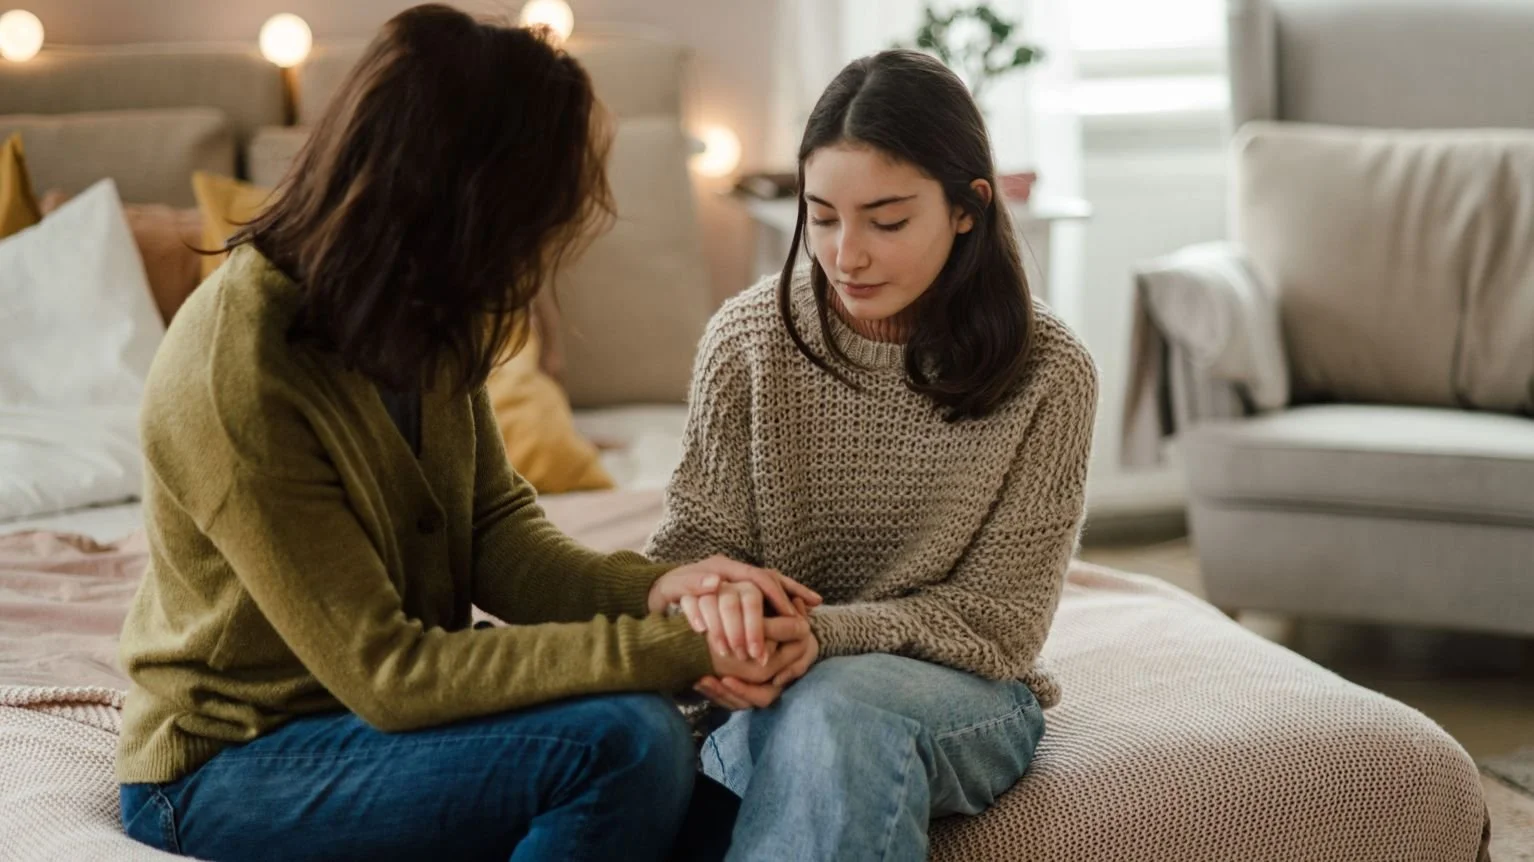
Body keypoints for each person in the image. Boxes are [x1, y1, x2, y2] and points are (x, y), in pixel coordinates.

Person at [114, 6, 819, 860]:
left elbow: (495, 535)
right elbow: (392, 675)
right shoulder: (240, 372)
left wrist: (658, 591)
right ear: (462, 202)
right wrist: (668, 649)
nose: (536, 258)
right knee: (625, 742)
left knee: (757, 831)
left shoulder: (422, 311)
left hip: (381, 728)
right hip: (231, 762)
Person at [645, 48, 1100, 861]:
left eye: (886, 221)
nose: (846, 253)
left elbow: (999, 626)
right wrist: (724, 625)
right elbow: (691, 556)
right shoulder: (747, 343)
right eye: (821, 216)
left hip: (962, 691)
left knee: (837, 709)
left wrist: (825, 635)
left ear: (968, 209)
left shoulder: (1051, 373)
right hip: (774, 679)